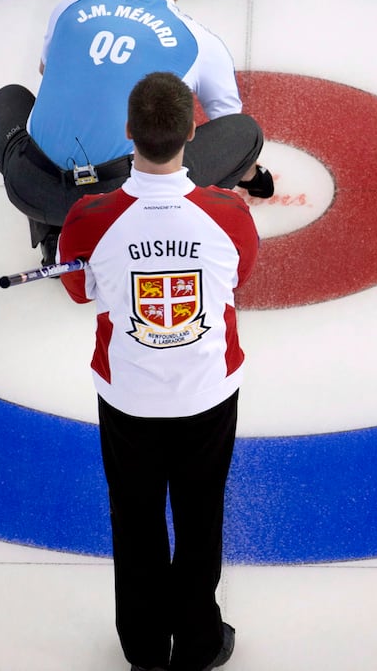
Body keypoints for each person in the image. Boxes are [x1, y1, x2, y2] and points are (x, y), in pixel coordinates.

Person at [57, 71, 258, 671]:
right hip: (207, 391)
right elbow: (238, 279)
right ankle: (199, 643)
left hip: (129, 395)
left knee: (136, 517)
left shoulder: (90, 217)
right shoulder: (229, 213)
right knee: (201, 515)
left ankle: (144, 648)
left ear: (128, 132)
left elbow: (77, 290)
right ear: (192, 132)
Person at [0, 0, 273, 265]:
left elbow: (48, 70)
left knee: (8, 98)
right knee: (244, 133)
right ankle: (171, 221)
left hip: (30, 187)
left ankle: (51, 231)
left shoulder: (69, 9)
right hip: (118, 202)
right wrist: (251, 174)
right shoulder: (201, 43)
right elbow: (226, 121)